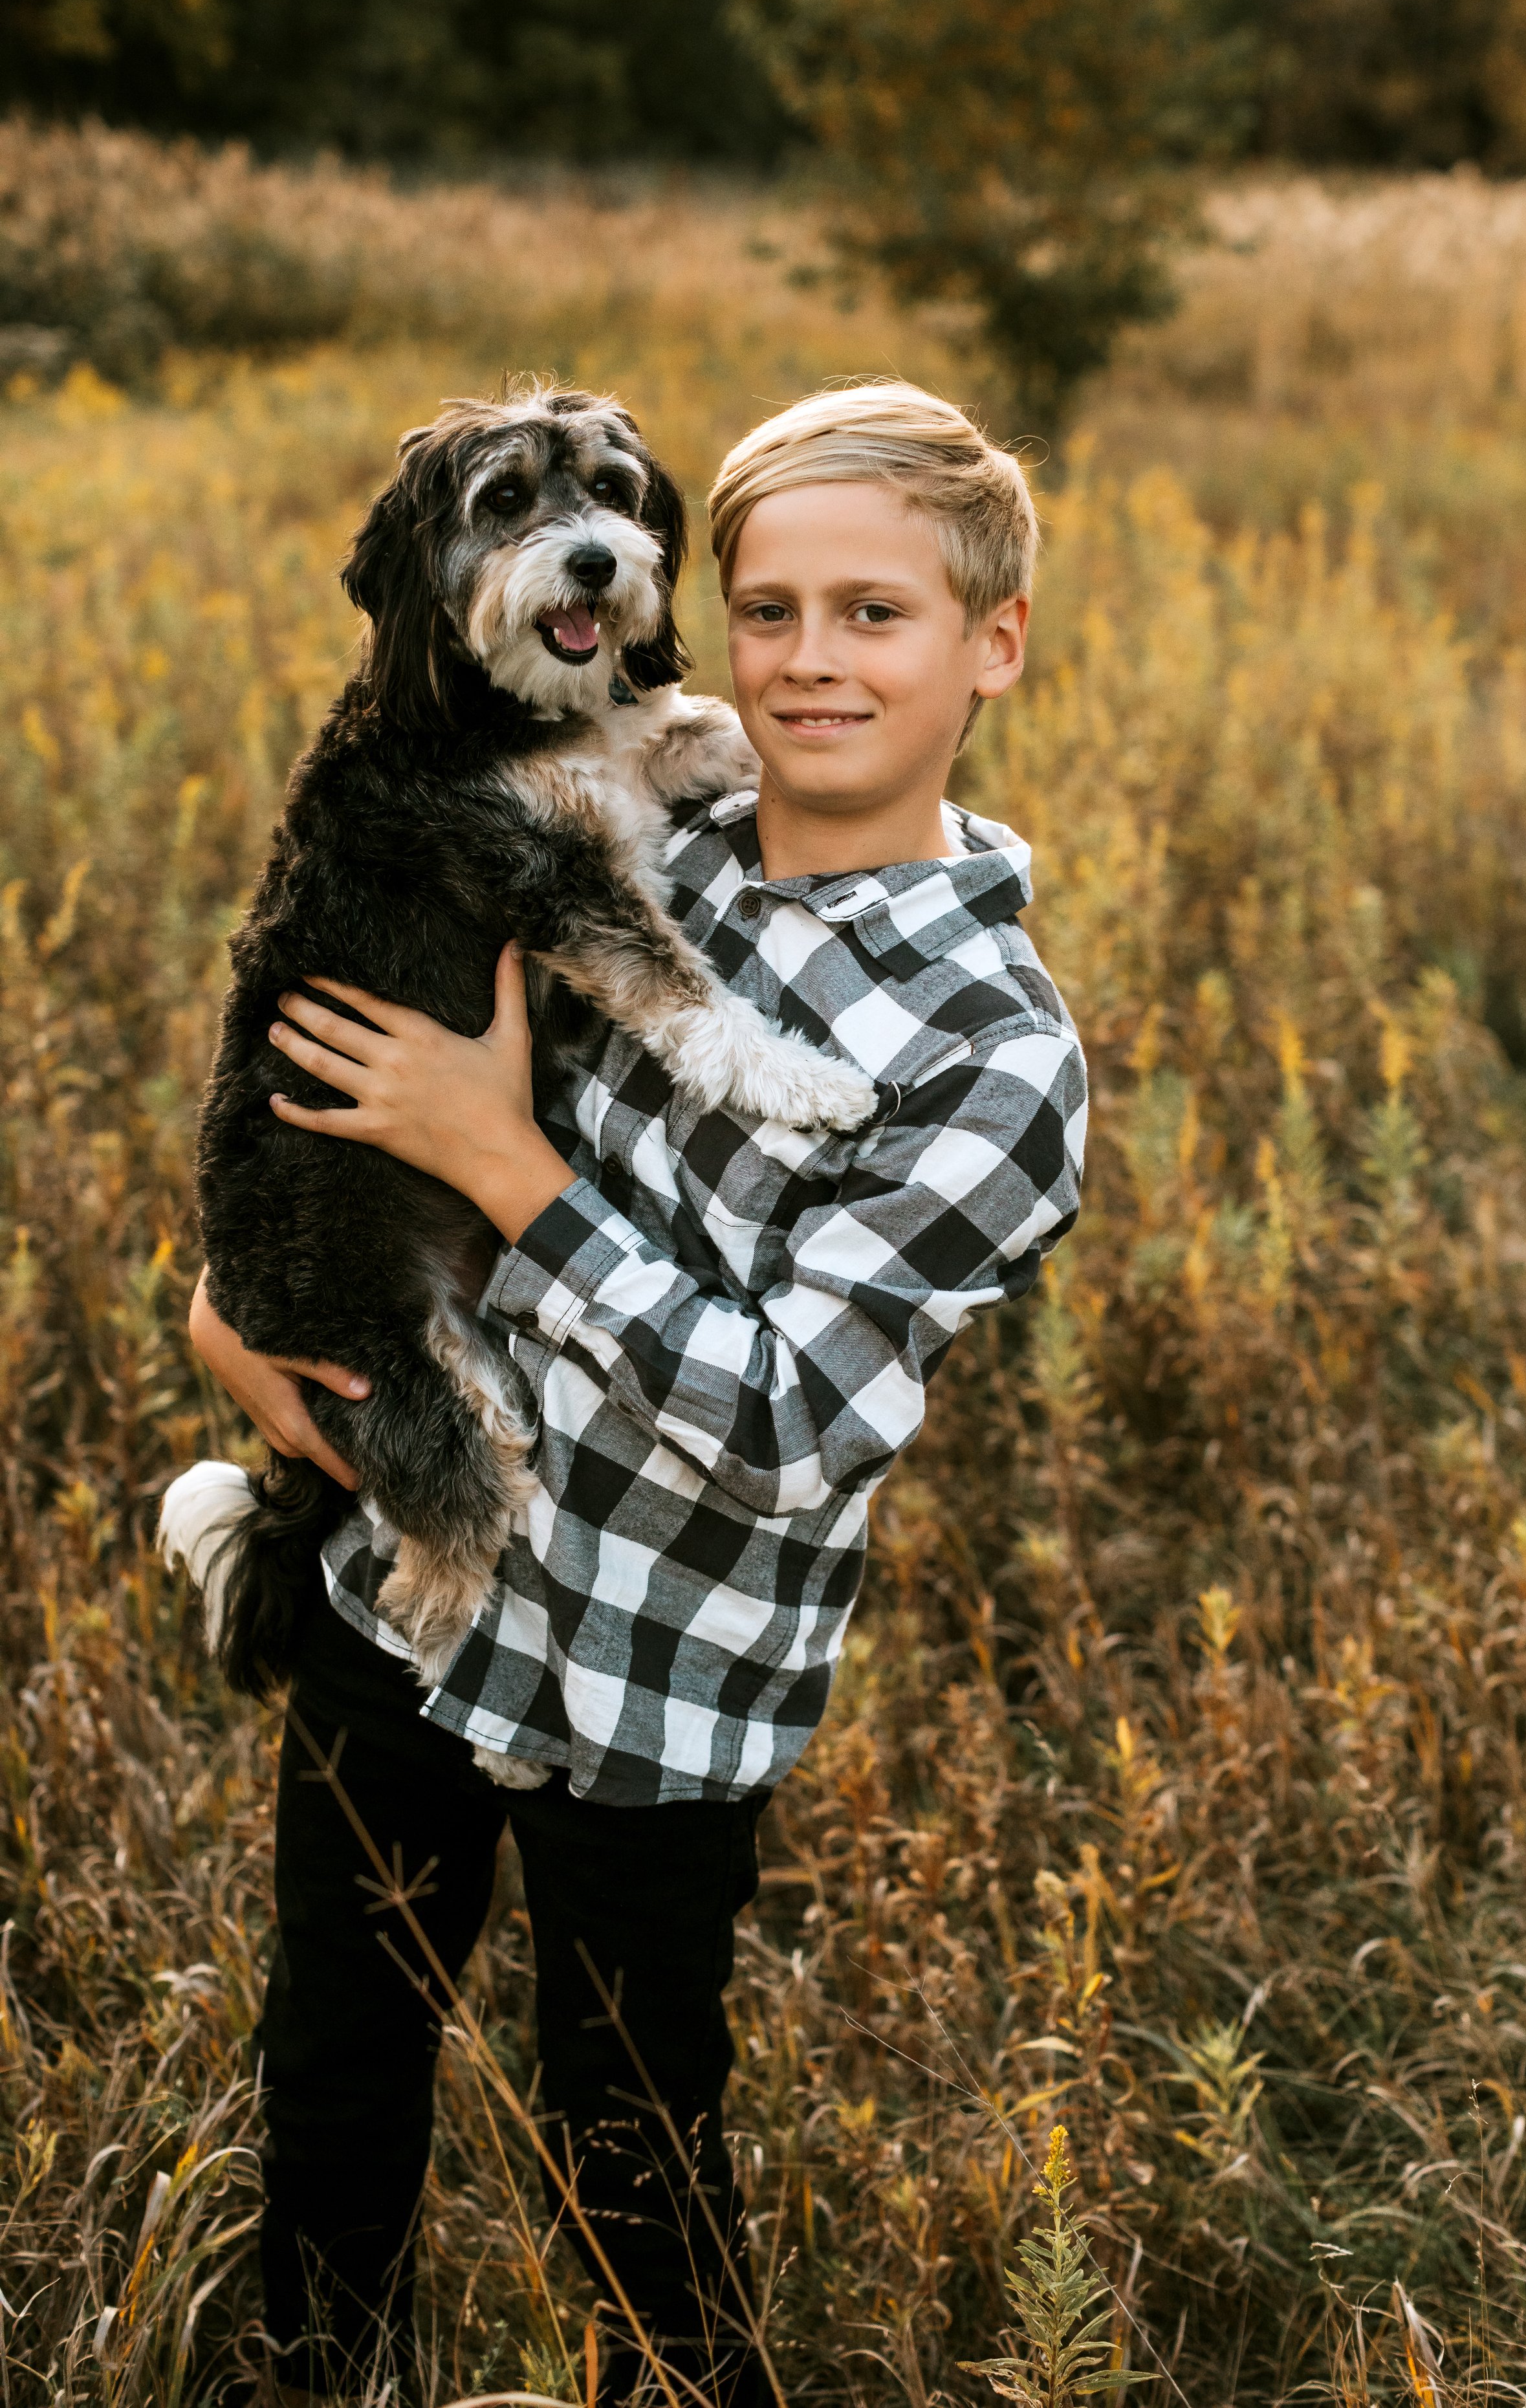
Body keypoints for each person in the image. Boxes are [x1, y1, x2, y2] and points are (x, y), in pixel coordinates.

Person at [186, 381, 1089, 2405]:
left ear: (992, 647)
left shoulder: (989, 1052)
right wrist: (245, 1319)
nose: (805, 663)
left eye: (875, 616)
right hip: (410, 1608)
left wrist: (508, 1159)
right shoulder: (634, 813)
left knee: (635, 2164)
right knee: (333, 2096)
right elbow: (344, 1061)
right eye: (766, 609)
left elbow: (783, 1426)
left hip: (661, 1680)